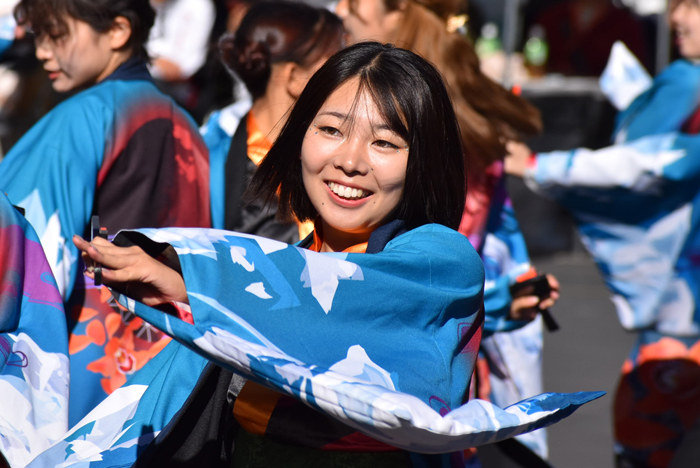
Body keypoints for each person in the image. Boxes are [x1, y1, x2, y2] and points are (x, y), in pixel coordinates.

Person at [335, 0, 558, 459]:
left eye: (355, 0)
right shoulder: (465, 107)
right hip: (454, 354)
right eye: (332, 131)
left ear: (398, 14)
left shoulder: (420, 119)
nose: (341, 8)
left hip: (409, 358)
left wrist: (499, 300)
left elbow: (438, 277)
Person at [505, 1, 700, 466]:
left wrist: (539, 165)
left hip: (685, 322)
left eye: (693, 5)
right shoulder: (686, 77)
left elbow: (651, 160)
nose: (677, 16)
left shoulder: (691, 80)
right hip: (682, 310)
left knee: (652, 434)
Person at [0, 0, 210, 427]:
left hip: (81, 372)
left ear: (117, 31)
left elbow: (30, 256)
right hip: (175, 377)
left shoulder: (82, 117)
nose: (42, 51)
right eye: (39, 37)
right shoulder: (188, 126)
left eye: (56, 35)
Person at [201, 1, 345, 240]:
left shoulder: (341, 159)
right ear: (295, 78)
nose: (349, 75)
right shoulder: (211, 163)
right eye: (334, 63)